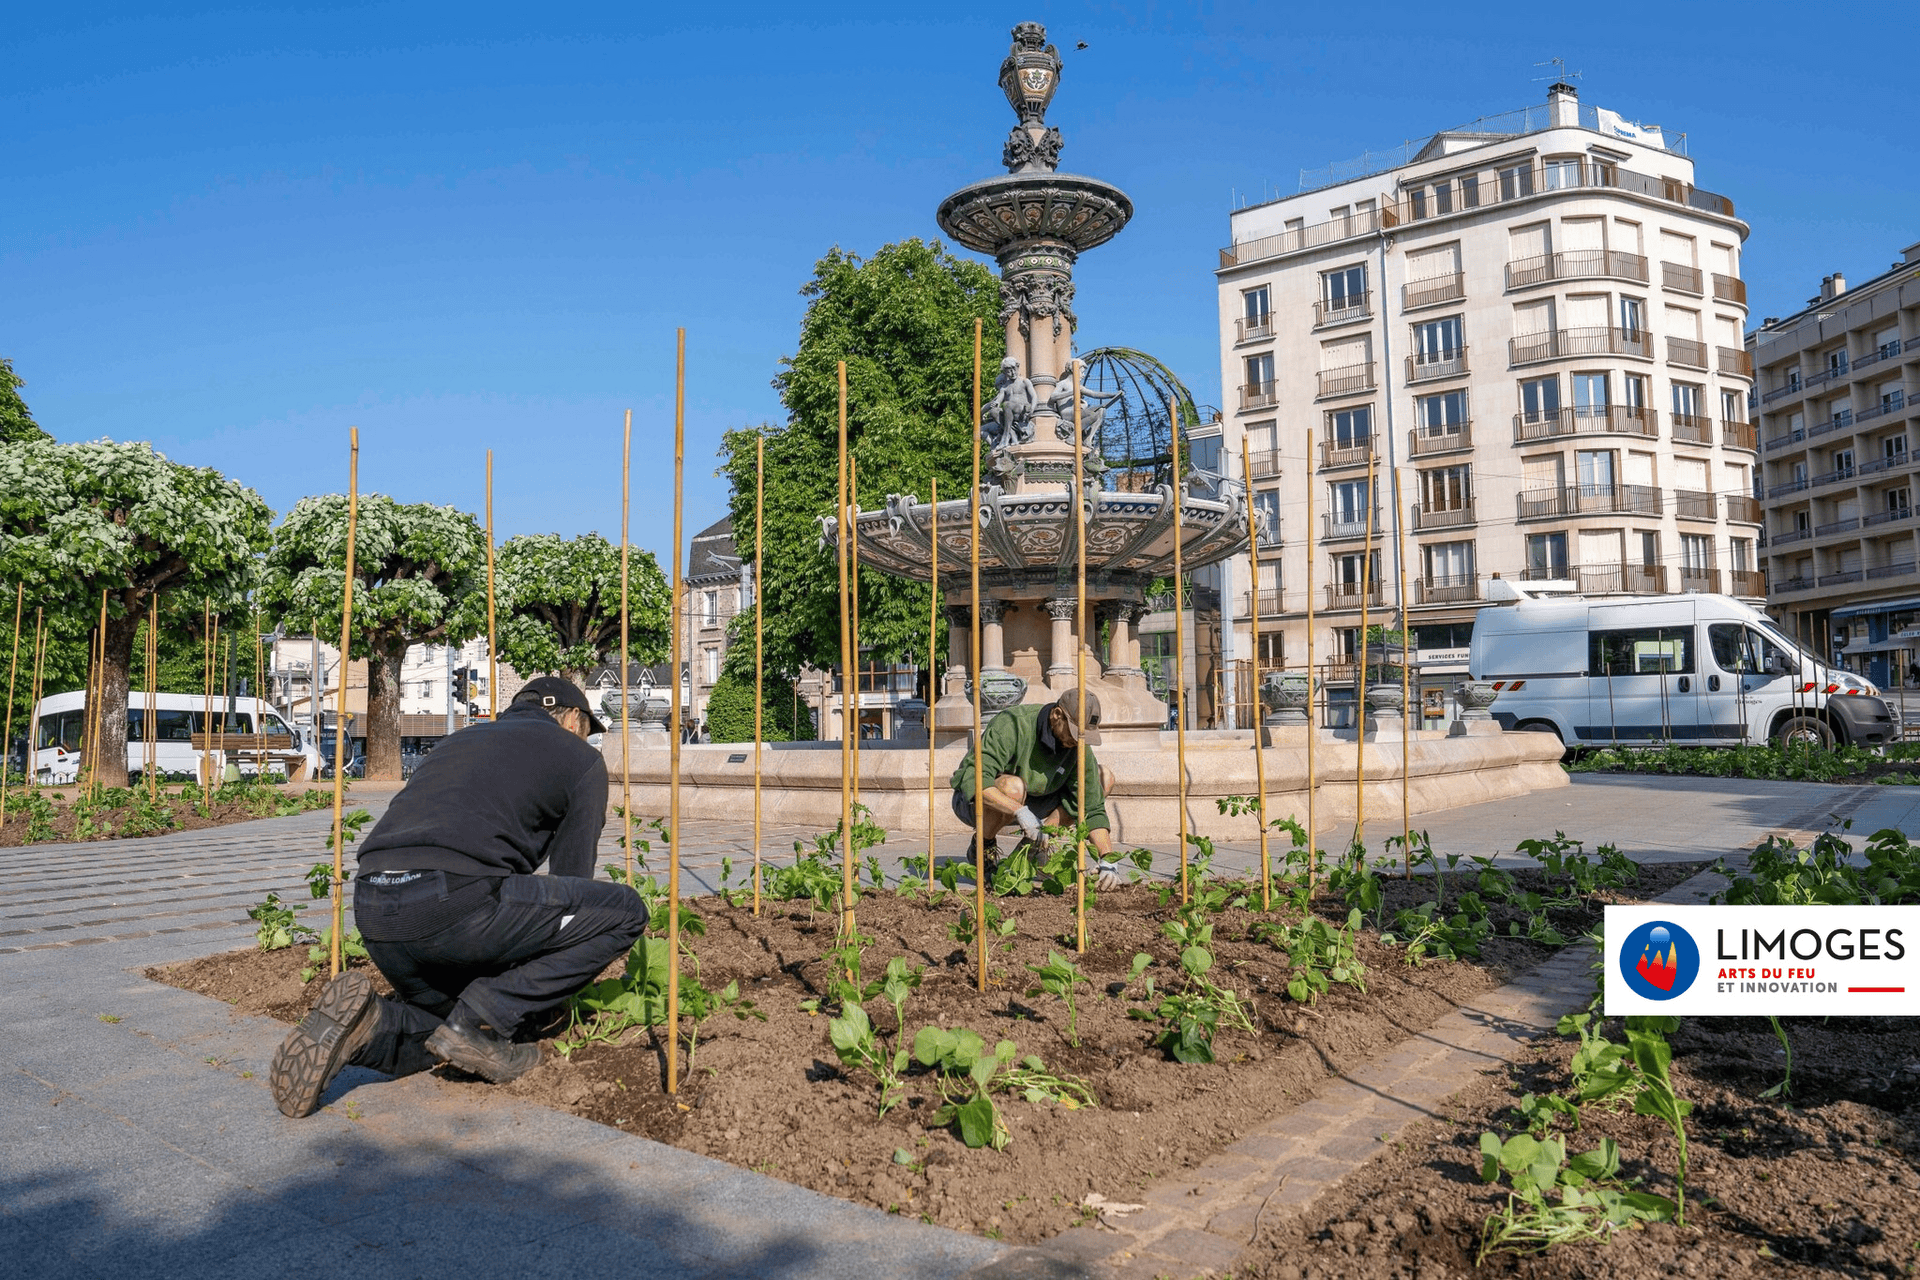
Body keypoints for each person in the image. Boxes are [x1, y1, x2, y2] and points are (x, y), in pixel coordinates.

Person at [268, 676, 647, 1119]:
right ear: (572, 719)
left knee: (443, 1030)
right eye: (587, 728)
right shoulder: (581, 758)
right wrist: (540, 999)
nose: (586, 738)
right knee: (622, 911)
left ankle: (373, 1025)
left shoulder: (457, 741)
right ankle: (482, 1016)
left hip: (375, 908)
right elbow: (572, 878)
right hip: (455, 902)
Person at [950, 688, 1122, 889]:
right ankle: (984, 847)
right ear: (1057, 715)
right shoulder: (1013, 724)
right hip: (978, 802)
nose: (1076, 741)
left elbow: (1091, 807)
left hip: (1037, 802)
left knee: (1104, 778)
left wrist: (1108, 859)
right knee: (1012, 787)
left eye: (1081, 737)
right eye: (1073, 733)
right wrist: (1019, 811)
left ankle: (1036, 848)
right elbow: (975, 779)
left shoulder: (1076, 745)